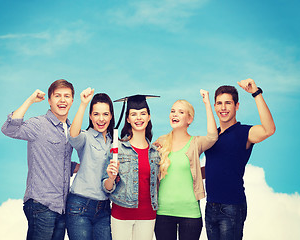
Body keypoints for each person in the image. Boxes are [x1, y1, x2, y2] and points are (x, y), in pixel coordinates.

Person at [1, 79, 77, 240]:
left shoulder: (71, 129)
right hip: (41, 205)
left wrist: (80, 167)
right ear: (49, 100)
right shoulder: (38, 125)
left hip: (61, 207)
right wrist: (30, 100)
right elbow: (9, 129)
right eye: (57, 96)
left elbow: (58, 162)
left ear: (72, 100)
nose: (62, 100)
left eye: (66, 96)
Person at [204, 78, 276, 240]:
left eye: (228, 103)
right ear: (214, 106)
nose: (223, 107)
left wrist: (256, 93)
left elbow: (269, 129)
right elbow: (213, 168)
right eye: (219, 103)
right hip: (210, 206)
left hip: (231, 207)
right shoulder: (213, 136)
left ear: (236, 106)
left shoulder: (244, 133)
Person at [154, 90, 218, 240]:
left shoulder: (196, 143)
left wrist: (207, 103)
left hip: (190, 214)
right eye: (172, 111)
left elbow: (213, 136)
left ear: (190, 119)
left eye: (181, 112)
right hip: (163, 213)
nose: (174, 115)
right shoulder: (161, 142)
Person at [102, 95, 160, 240]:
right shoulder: (117, 149)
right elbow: (107, 187)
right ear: (128, 119)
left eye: (143, 113)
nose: (138, 118)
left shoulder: (155, 153)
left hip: (148, 216)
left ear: (149, 117)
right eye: (133, 114)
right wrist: (111, 178)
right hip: (121, 215)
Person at [65, 87, 114, 240]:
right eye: (96, 114)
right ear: (90, 117)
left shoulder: (115, 143)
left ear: (111, 116)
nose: (101, 119)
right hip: (79, 206)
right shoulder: (85, 137)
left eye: (105, 114)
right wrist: (83, 104)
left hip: (104, 209)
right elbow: (72, 135)